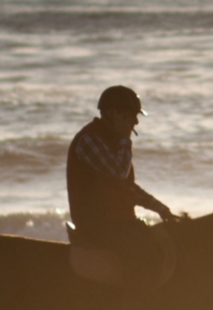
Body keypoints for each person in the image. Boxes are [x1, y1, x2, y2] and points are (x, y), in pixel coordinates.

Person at [66, 85, 175, 290]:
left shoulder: (111, 142)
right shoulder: (89, 140)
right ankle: (132, 309)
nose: (135, 122)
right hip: (97, 224)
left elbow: (125, 187)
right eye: (130, 116)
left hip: (117, 221)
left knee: (162, 244)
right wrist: (126, 139)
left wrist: (160, 208)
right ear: (114, 113)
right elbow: (118, 172)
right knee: (144, 254)